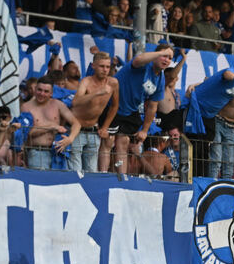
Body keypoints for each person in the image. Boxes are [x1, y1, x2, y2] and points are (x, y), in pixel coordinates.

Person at [108, 44, 173, 173]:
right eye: (164, 55)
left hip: (130, 111)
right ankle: (102, 175)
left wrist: (144, 130)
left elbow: (153, 106)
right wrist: (160, 53)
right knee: (107, 142)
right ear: (155, 55)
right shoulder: (145, 65)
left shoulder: (160, 80)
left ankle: (122, 178)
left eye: (170, 58)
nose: (166, 59)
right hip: (111, 104)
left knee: (124, 142)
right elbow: (137, 60)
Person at [68, 52, 118, 172]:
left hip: (93, 131)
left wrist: (105, 127)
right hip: (77, 130)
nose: (105, 70)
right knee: (75, 172)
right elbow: (75, 102)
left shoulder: (113, 83)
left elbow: (115, 106)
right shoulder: (86, 81)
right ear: (93, 66)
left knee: (91, 172)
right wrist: (97, 92)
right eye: (101, 66)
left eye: (107, 66)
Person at [21, 77, 80, 170]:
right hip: (37, 152)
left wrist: (70, 139)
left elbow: (76, 123)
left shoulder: (57, 104)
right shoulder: (26, 106)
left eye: (46, 91)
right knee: (40, 183)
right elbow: (27, 132)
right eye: (39, 90)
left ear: (51, 93)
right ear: (35, 89)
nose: (42, 94)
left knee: (59, 183)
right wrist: (51, 126)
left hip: (57, 152)